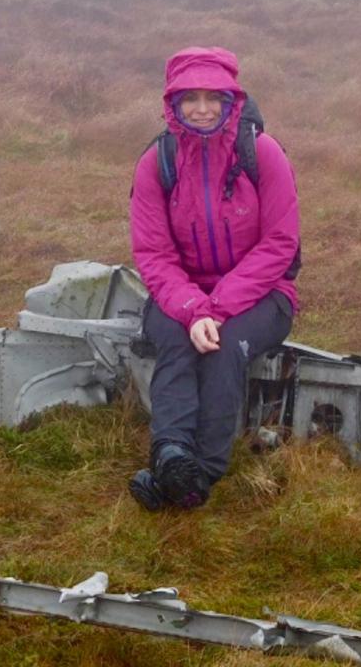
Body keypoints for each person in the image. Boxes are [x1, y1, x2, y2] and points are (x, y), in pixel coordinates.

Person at [128, 46, 299, 510]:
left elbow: (280, 244)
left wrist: (217, 309)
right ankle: (171, 454)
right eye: (190, 98)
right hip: (179, 293)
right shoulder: (157, 162)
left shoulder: (261, 153)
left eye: (213, 97)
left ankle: (197, 473)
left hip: (264, 295)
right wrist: (193, 309)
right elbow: (154, 253)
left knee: (222, 350)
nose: (202, 109)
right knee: (177, 340)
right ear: (173, 103)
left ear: (231, 100)